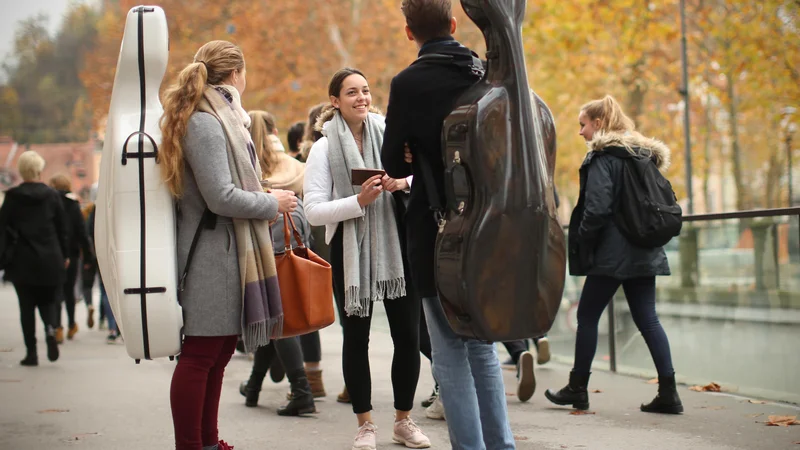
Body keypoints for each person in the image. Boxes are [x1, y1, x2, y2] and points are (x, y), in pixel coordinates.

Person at [380, 1, 516, 448]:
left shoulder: (406, 83)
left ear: (407, 33)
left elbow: (389, 158)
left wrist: (410, 150)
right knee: (482, 347)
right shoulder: (485, 72)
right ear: (455, 25)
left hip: (435, 231)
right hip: (488, 226)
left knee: (448, 352)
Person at [159, 40, 298, 450]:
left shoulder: (222, 118)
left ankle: (208, 441)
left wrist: (265, 195)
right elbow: (219, 196)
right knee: (201, 354)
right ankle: (192, 444)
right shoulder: (206, 122)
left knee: (217, 354)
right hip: (211, 254)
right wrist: (270, 202)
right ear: (236, 74)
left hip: (226, 251)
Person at [304, 68, 430, 450]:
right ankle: (365, 425)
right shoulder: (324, 147)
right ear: (335, 101)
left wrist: (400, 183)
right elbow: (313, 210)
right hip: (349, 248)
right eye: (351, 92)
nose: (362, 97)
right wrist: (359, 201)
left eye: (365, 90)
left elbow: (420, 176)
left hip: (396, 245)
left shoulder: (388, 131)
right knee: (355, 339)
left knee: (407, 336)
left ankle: (403, 421)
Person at [544, 95, 683, 415]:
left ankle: (578, 388)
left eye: (583, 125)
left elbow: (597, 209)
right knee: (648, 319)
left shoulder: (603, 159)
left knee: (587, 316)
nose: (580, 132)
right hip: (644, 249)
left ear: (599, 124)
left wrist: (583, 241)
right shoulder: (643, 157)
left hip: (611, 254)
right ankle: (669, 392)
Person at [238, 109, 319, 416]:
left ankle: (302, 390)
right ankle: (255, 385)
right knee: (279, 316)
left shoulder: (247, 159)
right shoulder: (290, 163)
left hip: (265, 242)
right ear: (273, 129)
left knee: (277, 320)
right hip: (294, 238)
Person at [0, 151, 65, 366]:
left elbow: (2, 231)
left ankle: (32, 354)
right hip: (50, 259)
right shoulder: (52, 196)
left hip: (22, 260)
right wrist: (64, 255)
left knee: (26, 308)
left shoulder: (12, 198)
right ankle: (50, 328)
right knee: (48, 301)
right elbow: (62, 229)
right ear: (39, 169)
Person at [49, 174, 93, 343]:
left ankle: (57, 327)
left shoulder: (50, 204)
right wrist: (88, 257)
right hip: (73, 255)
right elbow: (82, 233)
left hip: (55, 254)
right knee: (69, 291)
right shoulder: (73, 205)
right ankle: (72, 324)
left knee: (57, 291)